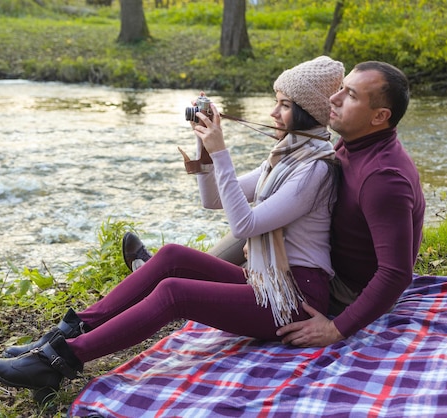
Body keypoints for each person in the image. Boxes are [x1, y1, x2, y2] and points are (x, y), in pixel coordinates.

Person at [0, 56, 345, 402]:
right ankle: (63, 334)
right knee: (171, 256)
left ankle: (58, 362)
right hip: (269, 283)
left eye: (282, 103)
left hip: (293, 301)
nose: (272, 111)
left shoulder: (314, 169)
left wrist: (221, 152)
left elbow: (243, 223)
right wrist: (204, 149)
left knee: (173, 293)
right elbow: (214, 199)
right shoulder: (288, 155)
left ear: (305, 109)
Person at [125, 60, 425, 348]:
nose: (334, 99)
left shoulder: (385, 178)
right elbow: (220, 202)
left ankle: (158, 280)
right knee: (247, 232)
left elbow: (395, 273)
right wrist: (205, 145)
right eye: (341, 88)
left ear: (379, 116)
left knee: (248, 234)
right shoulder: (353, 142)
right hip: (323, 262)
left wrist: (336, 329)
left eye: (350, 95)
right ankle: (155, 275)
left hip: (339, 288)